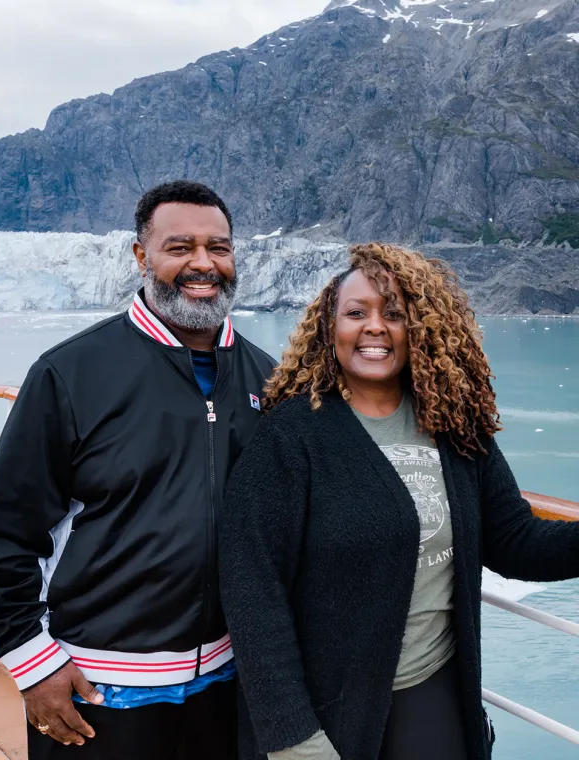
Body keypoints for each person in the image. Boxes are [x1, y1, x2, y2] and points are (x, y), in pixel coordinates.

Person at [218, 242, 579, 760]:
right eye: (356, 313)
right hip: (325, 707)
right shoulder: (291, 437)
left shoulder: (454, 427)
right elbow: (254, 590)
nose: (374, 327)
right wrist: (292, 737)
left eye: (395, 313)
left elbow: (517, 541)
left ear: (422, 329)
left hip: (432, 687)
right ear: (329, 327)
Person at [0, 180, 274, 760]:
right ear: (141, 255)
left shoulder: (267, 379)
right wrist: (33, 666)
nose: (203, 263)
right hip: (98, 688)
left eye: (219, 247)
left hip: (228, 685)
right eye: (180, 247)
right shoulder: (72, 373)